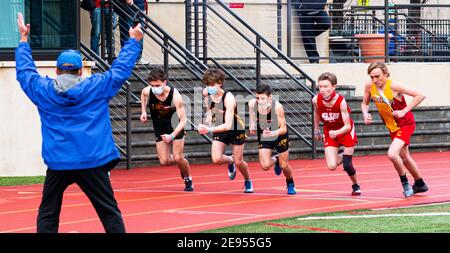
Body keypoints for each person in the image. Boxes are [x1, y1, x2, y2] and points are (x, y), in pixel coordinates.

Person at [15, 12, 143, 233]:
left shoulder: (43, 90)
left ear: (57, 70)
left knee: (48, 213)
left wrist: (24, 41)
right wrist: (133, 41)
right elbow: (119, 71)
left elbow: (25, 73)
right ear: (80, 70)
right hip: (91, 161)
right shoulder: (96, 86)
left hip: (58, 162)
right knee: (109, 212)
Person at [361, 62, 428, 198]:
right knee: (404, 157)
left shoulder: (394, 86)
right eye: (371, 77)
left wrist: (404, 110)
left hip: (404, 123)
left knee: (392, 154)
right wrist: (365, 113)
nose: (374, 80)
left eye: (377, 76)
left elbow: (420, 95)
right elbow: (364, 103)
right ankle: (420, 184)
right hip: (391, 125)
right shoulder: (370, 85)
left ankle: (405, 183)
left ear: (385, 74)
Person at [197, 68, 253, 193]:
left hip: (234, 128)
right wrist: (207, 118)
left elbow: (228, 125)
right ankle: (230, 160)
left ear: (220, 83)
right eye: (207, 84)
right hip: (218, 126)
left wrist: (209, 129)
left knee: (239, 161)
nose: (209, 87)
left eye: (212, 84)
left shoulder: (229, 98)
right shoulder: (207, 93)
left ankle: (248, 179)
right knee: (216, 159)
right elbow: (209, 108)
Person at [140, 67, 193, 191]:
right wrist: (143, 111)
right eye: (152, 85)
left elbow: (184, 120)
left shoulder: (175, 96)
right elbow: (143, 94)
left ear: (164, 82)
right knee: (164, 161)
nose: (155, 88)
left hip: (175, 125)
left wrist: (173, 135)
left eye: (157, 85)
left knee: (177, 157)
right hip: (160, 125)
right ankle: (182, 162)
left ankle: (188, 178)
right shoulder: (148, 91)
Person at [312, 72, 361, 195]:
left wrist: (338, 132)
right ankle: (345, 155)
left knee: (347, 165)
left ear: (334, 87)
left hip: (344, 130)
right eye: (320, 87)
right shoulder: (315, 100)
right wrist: (316, 129)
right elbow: (317, 114)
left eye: (326, 87)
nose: (323, 90)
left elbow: (347, 125)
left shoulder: (341, 102)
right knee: (332, 166)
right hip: (329, 130)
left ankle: (355, 185)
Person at [248, 84, 296, 195]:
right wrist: (252, 125)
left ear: (270, 97)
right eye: (257, 98)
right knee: (265, 166)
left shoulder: (277, 107)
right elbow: (252, 115)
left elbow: (284, 129)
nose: (259, 101)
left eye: (263, 98)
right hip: (265, 134)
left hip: (279, 135)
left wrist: (273, 133)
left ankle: (290, 182)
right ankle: (276, 159)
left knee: (284, 165)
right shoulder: (252, 104)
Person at [116, 0, 148, 64]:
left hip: (140, 6)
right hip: (128, 6)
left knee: (139, 33)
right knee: (127, 33)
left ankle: (138, 58)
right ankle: (127, 58)